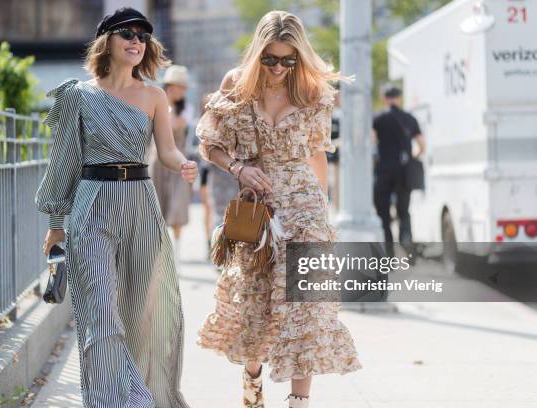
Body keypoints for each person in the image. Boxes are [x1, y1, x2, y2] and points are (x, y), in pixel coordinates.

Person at [195, 11, 361, 408]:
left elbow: (317, 154)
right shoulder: (236, 84)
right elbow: (210, 143)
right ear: (258, 53)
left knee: (306, 308)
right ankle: (252, 382)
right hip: (259, 212)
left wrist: (325, 209)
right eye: (271, 59)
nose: (279, 69)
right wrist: (239, 168)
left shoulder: (311, 89)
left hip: (306, 209)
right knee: (255, 303)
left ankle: (298, 403)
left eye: (289, 60)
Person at [35, 7, 196, 408]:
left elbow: (168, 151)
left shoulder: (155, 95)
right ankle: (123, 399)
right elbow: (64, 160)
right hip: (94, 206)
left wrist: (184, 165)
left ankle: (138, 391)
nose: (136, 41)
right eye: (126, 33)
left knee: (142, 314)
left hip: (141, 207)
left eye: (142, 36)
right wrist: (57, 222)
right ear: (106, 41)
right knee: (101, 313)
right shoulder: (79, 95)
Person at [372, 84, 425, 256]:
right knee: (404, 211)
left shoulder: (378, 118)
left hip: (384, 171)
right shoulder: (410, 118)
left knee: (384, 214)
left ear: (384, 98)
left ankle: (389, 254)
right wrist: (412, 157)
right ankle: (407, 245)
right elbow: (422, 145)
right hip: (404, 171)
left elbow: (372, 142)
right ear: (399, 97)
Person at [150, 64, 193, 257]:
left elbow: (175, 124)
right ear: (170, 86)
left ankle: (176, 253)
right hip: (157, 163)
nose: (182, 91)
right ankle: (159, 253)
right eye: (179, 86)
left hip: (179, 164)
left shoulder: (186, 109)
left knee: (177, 208)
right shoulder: (154, 103)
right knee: (157, 209)